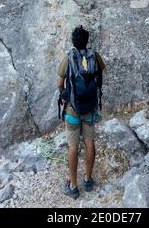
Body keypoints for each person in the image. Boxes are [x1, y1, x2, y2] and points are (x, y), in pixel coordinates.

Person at [57, 25, 105, 199]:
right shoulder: (95, 56)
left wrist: (66, 94)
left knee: (73, 146)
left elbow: (59, 83)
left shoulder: (68, 58)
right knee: (89, 142)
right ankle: (88, 179)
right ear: (87, 40)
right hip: (90, 107)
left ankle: (73, 185)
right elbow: (101, 73)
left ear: (73, 41)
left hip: (73, 109)